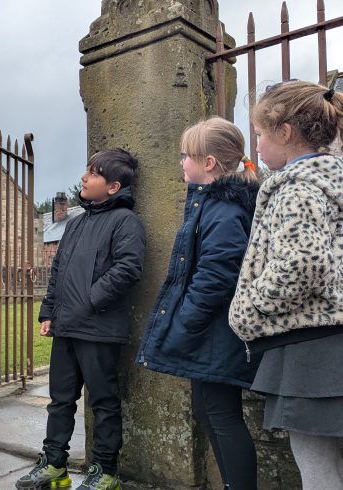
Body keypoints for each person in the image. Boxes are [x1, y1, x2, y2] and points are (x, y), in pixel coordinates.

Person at [229, 81, 343, 489]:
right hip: (330, 344)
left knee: (321, 475)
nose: (256, 146)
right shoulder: (331, 181)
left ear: (285, 132)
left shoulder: (297, 187)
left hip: (312, 352)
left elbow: (303, 263)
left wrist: (250, 307)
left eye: (259, 134)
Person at [137, 117, 261, 490]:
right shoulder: (211, 203)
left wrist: (185, 324)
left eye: (185, 156)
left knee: (222, 416)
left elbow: (216, 275)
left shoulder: (224, 209)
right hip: (209, 332)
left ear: (208, 163)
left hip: (217, 332)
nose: (180, 163)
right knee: (210, 413)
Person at [15, 149, 146, 490]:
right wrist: (48, 311)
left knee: (103, 402)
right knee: (60, 400)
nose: (84, 178)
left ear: (114, 186)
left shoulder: (125, 223)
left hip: (99, 329)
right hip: (66, 327)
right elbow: (57, 272)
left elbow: (128, 268)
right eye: (86, 171)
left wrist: (89, 300)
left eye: (93, 173)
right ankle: (54, 464)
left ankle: (104, 471)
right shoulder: (74, 224)